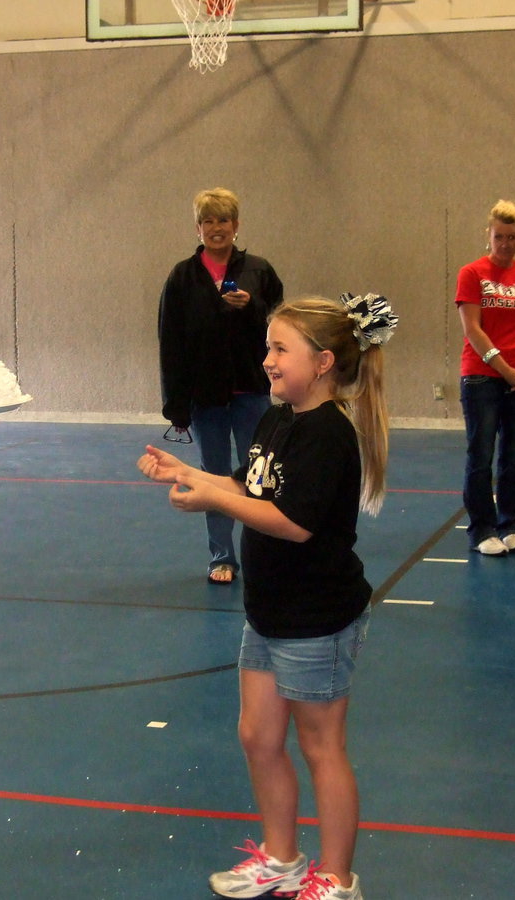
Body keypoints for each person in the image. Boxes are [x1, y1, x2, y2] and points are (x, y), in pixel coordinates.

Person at [140, 292, 398, 900]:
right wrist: (191, 476)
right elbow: (248, 480)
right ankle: (282, 858)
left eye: (280, 349)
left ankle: (336, 879)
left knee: (320, 746)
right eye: (268, 347)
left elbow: (293, 521)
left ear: (325, 361)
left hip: (317, 619)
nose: (268, 360)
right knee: (258, 736)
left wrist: (213, 502)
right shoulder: (277, 415)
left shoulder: (328, 433)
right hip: (270, 614)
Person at [158, 187, 284, 585]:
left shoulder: (259, 270)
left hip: (251, 391)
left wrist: (253, 309)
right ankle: (221, 558)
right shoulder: (182, 276)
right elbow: (170, 341)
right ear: (198, 228)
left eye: (223, 220)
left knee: (258, 474)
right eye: (208, 221)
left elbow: (280, 327)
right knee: (212, 474)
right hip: (204, 397)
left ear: (236, 225)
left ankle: (263, 553)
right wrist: (175, 405)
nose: (217, 228)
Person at [456, 200, 515, 556]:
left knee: (513, 457)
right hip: (483, 377)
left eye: (512, 237)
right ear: (489, 236)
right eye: (499, 236)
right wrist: (505, 370)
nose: (505, 243)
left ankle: (510, 524)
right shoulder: (472, 274)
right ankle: (481, 529)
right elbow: (473, 330)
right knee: (481, 455)